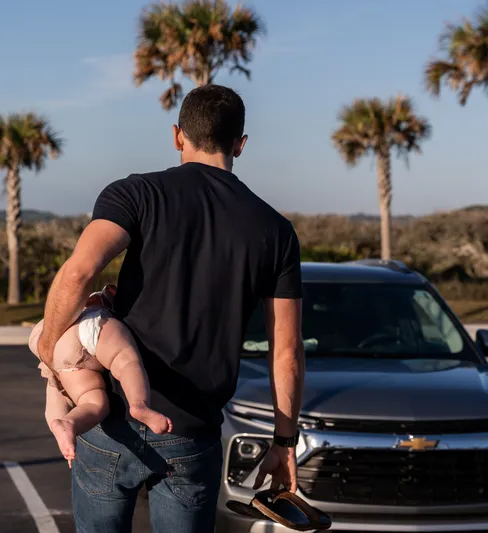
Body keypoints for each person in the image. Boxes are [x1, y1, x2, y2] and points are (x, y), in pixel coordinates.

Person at [36, 84, 305, 533]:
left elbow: (78, 273)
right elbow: (287, 353)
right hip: (192, 434)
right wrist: (284, 441)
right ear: (239, 144)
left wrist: (49, 349)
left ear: (178, 135)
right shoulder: (276, 231)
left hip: (112, 422)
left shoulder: (135, 193)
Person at [27, 283, 172, 467]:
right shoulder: (99, 303)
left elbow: (55, 398)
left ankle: (68, 424)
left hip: (49, 341)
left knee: (89, 401)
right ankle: (139, 404)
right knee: (126, 361)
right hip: (88, 325)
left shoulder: (64, 311)